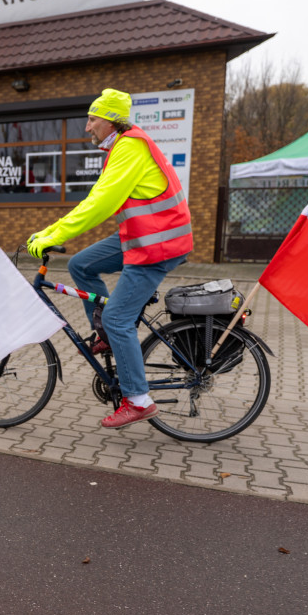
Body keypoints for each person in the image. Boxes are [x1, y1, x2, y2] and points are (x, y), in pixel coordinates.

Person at [27, 88, 192, 429]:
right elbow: (96, 199)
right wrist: (50, 233)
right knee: (81, 265)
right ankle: (104, 331)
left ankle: (138, 399)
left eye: (92, 119)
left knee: (119, 318)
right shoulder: (122, 146)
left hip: (156, 244)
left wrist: (52, 235)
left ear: (111, 120)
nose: (87, 127)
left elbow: (98, 204)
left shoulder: (130, 147)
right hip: (141, 234)